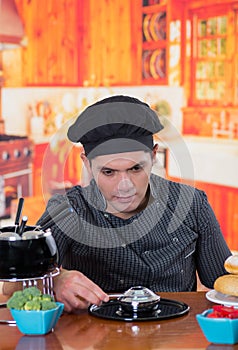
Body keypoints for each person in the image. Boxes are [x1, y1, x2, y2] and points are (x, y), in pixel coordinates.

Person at [36, 95, 231, 312]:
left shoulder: (192, 204)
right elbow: (11, 284)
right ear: (88, 165)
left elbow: (225, 284)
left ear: (154, 155)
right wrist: (55, 279)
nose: (124, 186)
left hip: (176, 339)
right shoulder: (69, 209)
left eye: (136, 169)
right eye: (109, 172)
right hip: (96, 340)